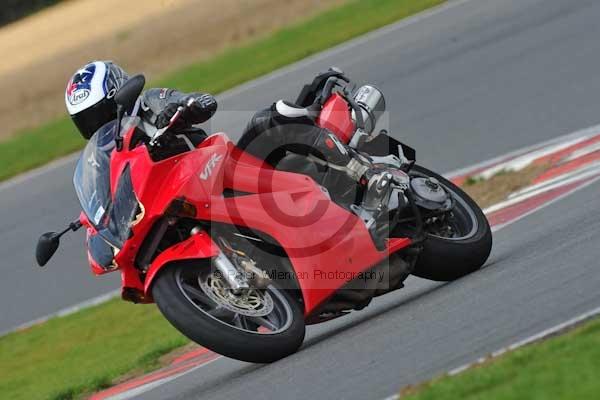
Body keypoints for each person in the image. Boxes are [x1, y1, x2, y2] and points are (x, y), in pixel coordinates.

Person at [65, 61, 217, 143]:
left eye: (98, 116)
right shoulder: (99, 158)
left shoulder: (150, 102)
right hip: (160, 196)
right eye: (86, 122)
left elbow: (201, 100)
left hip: (200, 170)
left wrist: (179, 108)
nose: (96, 127)